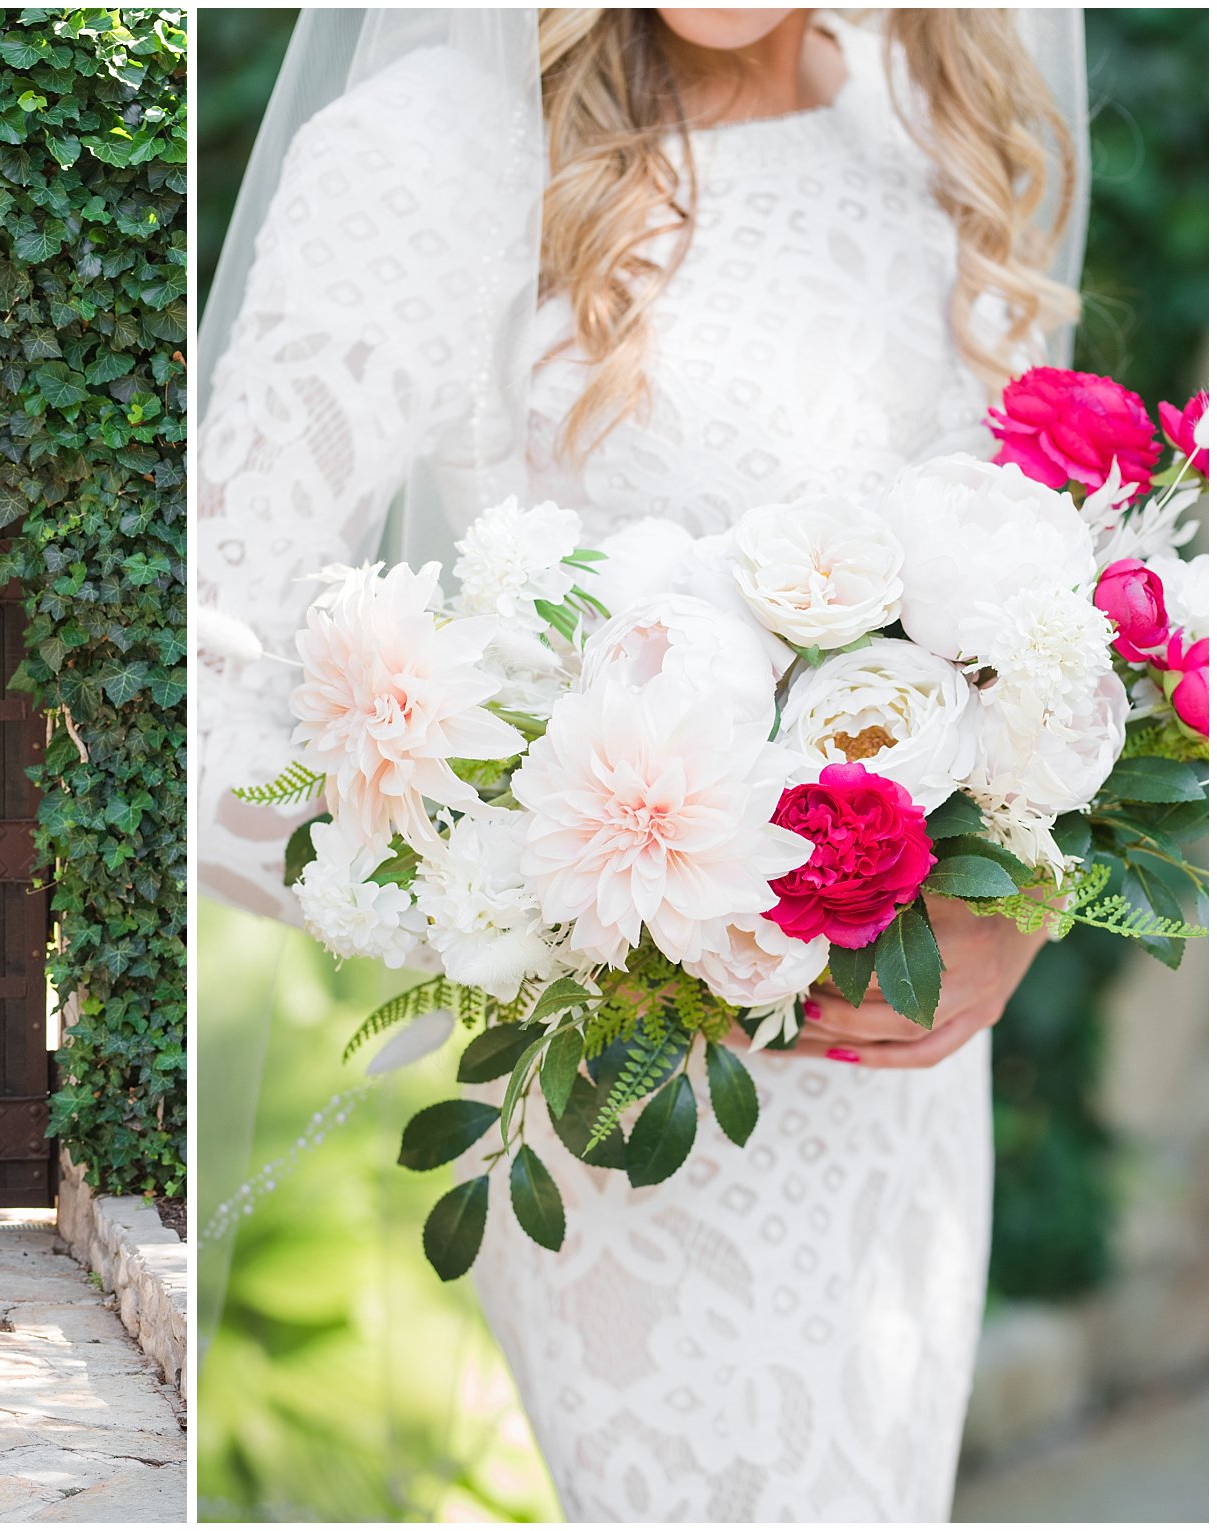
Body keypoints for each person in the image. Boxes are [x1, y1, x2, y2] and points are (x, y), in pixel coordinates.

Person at [196, 8, 1087, 1519]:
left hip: (904, 1104)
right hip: (637, 1112)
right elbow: (199, 683)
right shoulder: (434, 157)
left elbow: (1029, 632)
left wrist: (1022, 900)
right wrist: (582, 910)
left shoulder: (927, 133)